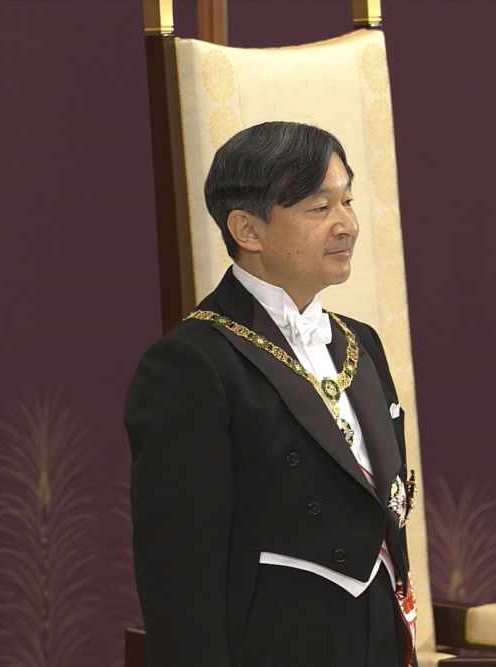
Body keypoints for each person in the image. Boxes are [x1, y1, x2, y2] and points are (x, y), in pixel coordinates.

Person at [126, 121, 416, 667]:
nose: (347, 225)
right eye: (318, 208)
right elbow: (179, 574)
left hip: (378, 637)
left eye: (347, 201)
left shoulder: (362, 343)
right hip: (276, 643)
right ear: (247, 229)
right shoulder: (192, 363)